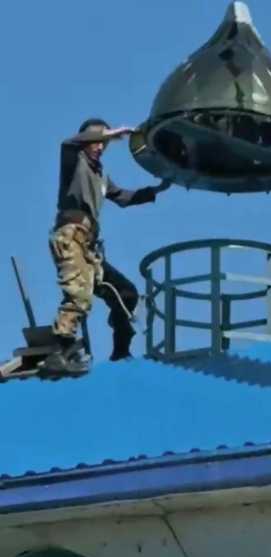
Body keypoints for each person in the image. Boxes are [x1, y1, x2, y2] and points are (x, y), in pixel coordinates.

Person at [43, 118, 171, 375]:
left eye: (104, 143)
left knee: (126, 293)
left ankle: (120, 351)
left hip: (90, 246)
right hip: (71, 236)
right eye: (97, 140)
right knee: (79, 295)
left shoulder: (100, 174)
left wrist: (158, 189)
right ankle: (58, 352)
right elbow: (68, 143)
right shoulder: (74, 160)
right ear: (86, 140)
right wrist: (111, 133)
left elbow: (122, 197)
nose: (101, 147)